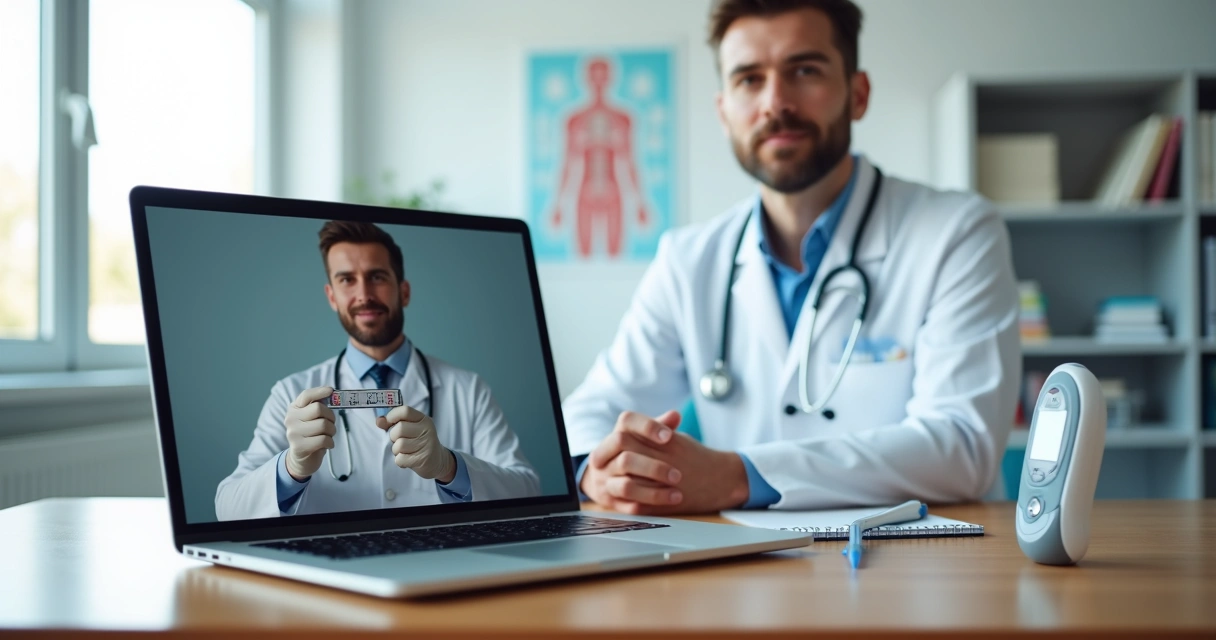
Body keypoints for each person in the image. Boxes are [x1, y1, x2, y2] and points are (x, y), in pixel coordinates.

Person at [562, 0, 1020, 514]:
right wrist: (595, 472)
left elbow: (963, 445)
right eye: (749, 79)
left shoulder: (957, 232)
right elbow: (592, 411)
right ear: (723, 111)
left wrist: (736, 476)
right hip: (742, 570)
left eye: (804, 70)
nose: (775, 102)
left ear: (858, 94)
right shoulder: (688, 259)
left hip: (923, 568)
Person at [215, 221, 540, 520]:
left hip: (439, 568)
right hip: (333, 573)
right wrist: (292, 466)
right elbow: (229, 507)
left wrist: (448, 466)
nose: (364, 295)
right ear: (332, 296)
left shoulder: (468, 390)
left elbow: (527, 491)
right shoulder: (291, 393)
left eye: (377, 276)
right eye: (346, 280)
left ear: (405, 291)